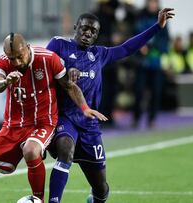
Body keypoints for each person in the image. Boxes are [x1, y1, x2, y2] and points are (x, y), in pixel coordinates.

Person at [0, 33, 107, 203]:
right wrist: (6, 82)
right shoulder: (4, 62)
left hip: (43, 123)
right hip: (13, 126)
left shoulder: (48, 59)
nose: (16, 62)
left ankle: (39, 200)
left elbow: (69, 86)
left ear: (27, 47)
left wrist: (85, 108)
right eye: (12, 58)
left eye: (19, 57)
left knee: (31, 149)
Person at [46, 8, 174, 203]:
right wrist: (64, 70)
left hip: (90, 125)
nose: (88, 33)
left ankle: (96, 199)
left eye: (93, 31)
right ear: (75, 28)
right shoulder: (58, 45)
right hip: (66, 117)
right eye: (84, 28)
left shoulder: (100, 54)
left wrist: (157, 27)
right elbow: (44, 67)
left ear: (97, 35)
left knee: (100, 187)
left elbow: (127, 48)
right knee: (65, 149)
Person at [132, 0, 171, 129]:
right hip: (141, 63)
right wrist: (139, 47)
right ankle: (136, 118)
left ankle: (152, 119)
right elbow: (134, 36)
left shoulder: (162, 19)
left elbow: (165, 40)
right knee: (138, 92)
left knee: (156, 93)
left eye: (154, 3)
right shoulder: (139, 17)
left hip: (156, 63)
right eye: (150, 2)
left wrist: (153, 47)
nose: (152, 5)